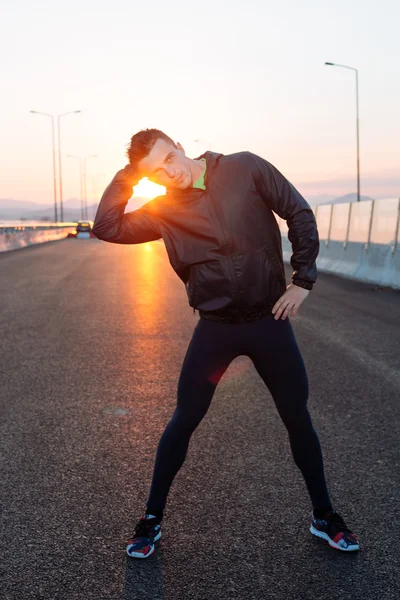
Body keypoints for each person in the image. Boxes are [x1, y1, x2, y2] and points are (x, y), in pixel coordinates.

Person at [92, 128, 359, 559]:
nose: (168, 173)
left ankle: (325, 516)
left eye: (167, 159)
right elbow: (105, 226)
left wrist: (303, 281)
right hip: (215, 326)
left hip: (268, 320)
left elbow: (299, 212)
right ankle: (151, 520)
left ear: (179, 146)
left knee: (297, 417)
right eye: (155, 172)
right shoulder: (163, 211)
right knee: (185, 418)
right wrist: (130, 173)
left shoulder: (244, 167)